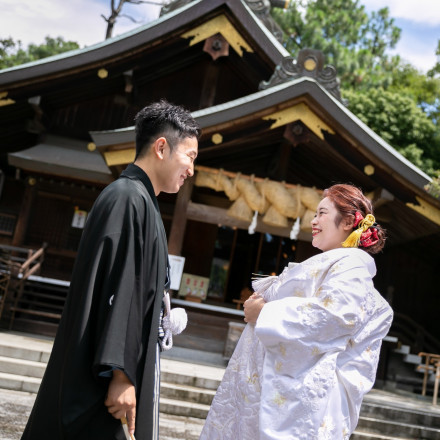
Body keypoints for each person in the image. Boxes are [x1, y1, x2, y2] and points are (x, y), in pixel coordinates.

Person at [21, 100, 200, 440]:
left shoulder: (141, 201)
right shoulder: (127, 199)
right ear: (161, 147)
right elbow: (121, 288)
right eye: (190, 156)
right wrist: (119, 373)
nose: (192, 169)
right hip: (102, 381)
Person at [200, 184, 393, 440]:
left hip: (308, 400)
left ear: (347, 221)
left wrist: (264, 313)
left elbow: (333, 317)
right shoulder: (339, 263)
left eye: (322, 213)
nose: (313, 221)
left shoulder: (352, 264)